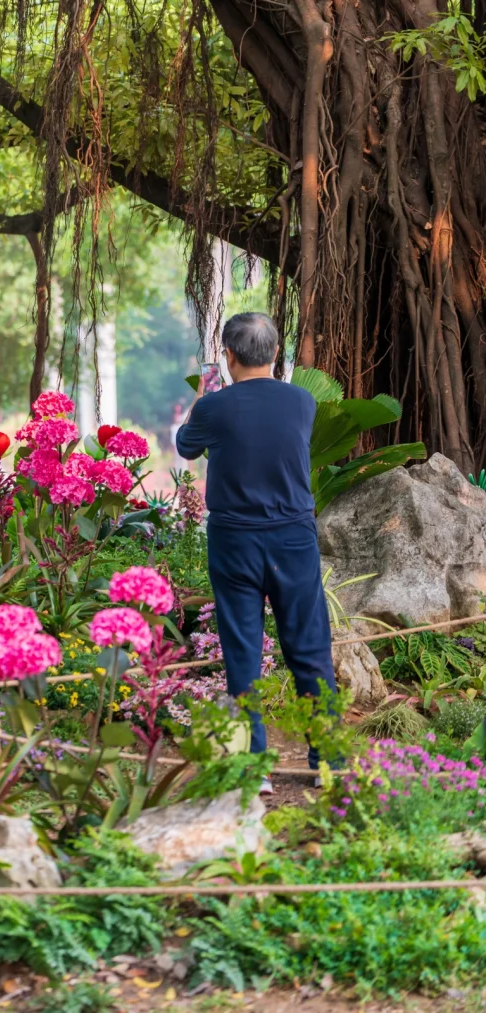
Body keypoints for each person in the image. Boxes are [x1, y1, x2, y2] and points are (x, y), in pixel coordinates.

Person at [175, 310, 338, 787]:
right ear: (276, 354)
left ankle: (253, 766)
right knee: (309, 646)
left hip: (235, 541)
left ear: (227, 357)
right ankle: (328, 759)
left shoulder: (213, 408)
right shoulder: (302, 401)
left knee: (243, 650)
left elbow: (187, 447)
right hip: (293, 538)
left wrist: (202, 401)